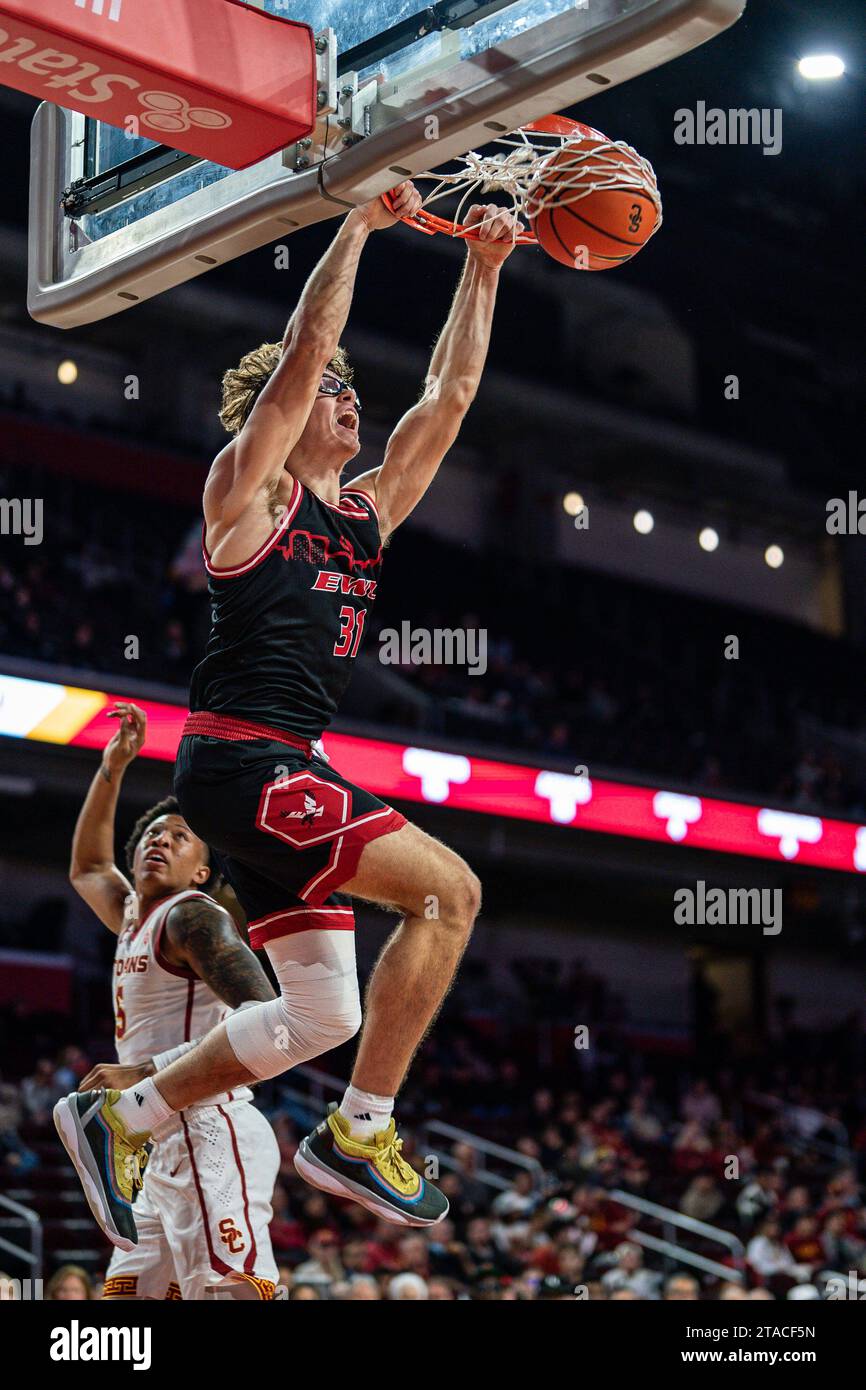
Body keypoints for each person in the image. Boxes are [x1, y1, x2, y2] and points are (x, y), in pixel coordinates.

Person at [55, 181, 520, 1240]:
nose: (349, 403)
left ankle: (123, 1110)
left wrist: (483, 266)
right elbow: (305, 351)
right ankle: (361, 1129)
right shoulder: (248, 494)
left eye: (356, 395)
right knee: (448, 892)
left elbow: (445, 396)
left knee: (325, 1011)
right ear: (285, 412)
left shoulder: (367, 511)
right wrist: (356, 223)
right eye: (333, 395)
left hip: (277, 772)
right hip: (242, 762)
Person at [54, 704, 280, 1299]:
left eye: (180, 838)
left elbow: (263, 1012)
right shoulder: (135, 914)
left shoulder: (191, 918)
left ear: (202, 872)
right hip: (152, 1141)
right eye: (154, 833)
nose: (161, 839)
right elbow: (87, 865)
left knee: (229, 1292)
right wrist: (113, 767)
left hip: (208, 1124)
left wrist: (144, 1070)